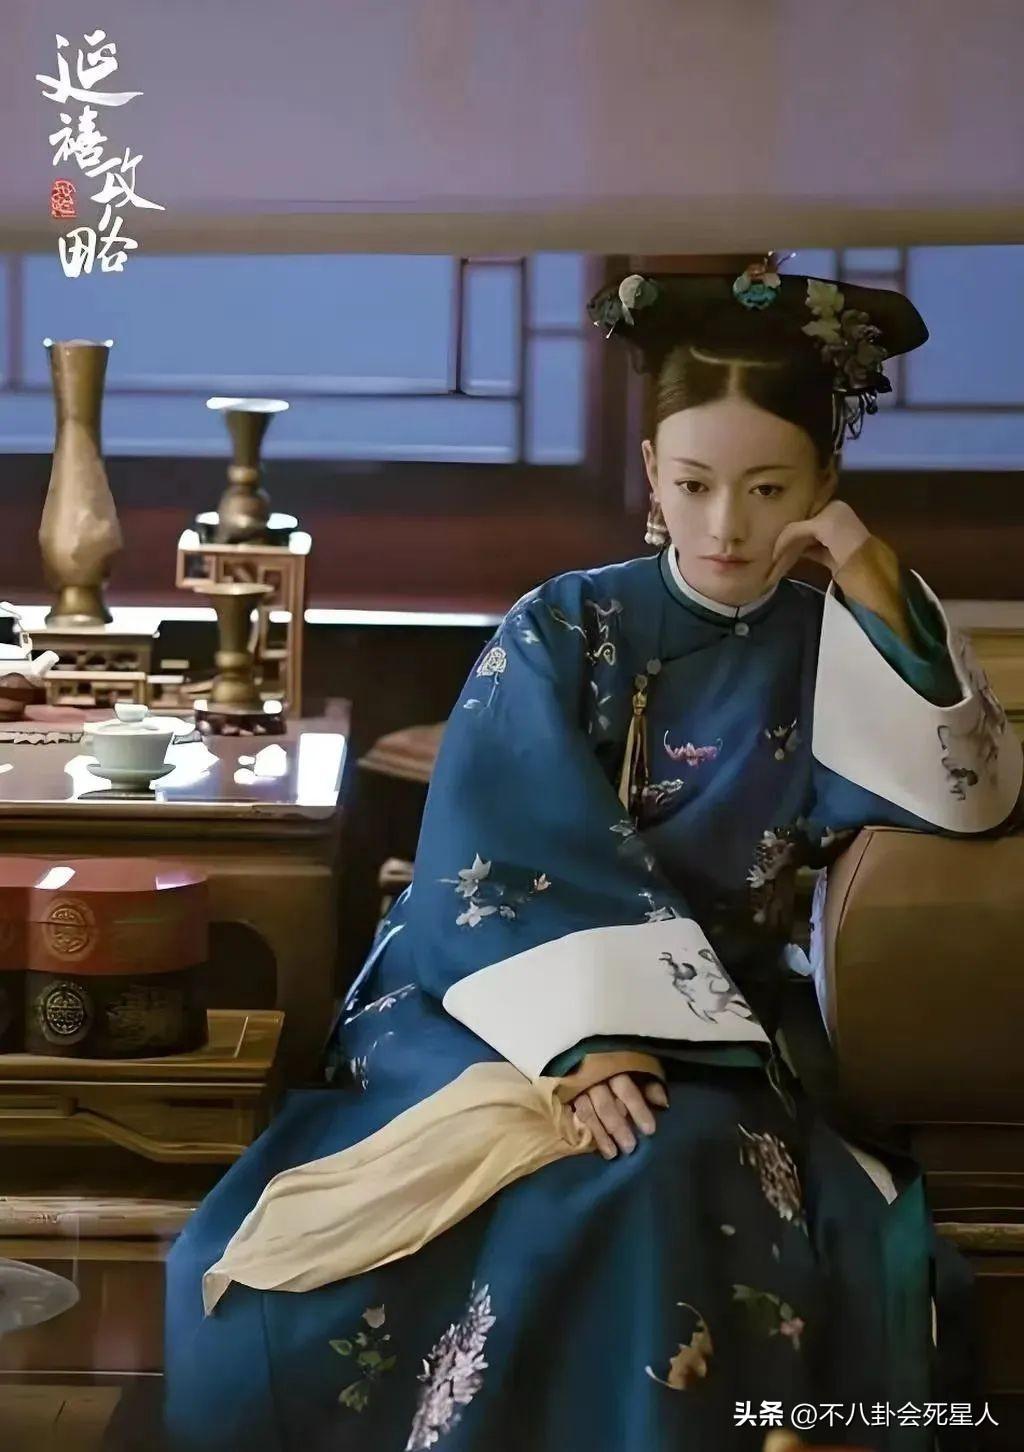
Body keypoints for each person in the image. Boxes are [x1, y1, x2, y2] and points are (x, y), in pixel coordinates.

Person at [162, 259, 1022, 1452]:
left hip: (722, 1016)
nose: (727, 525)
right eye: (695, 483)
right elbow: (497, 843)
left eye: (771, 488)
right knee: (559, 1162)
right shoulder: (567, 623)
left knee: (665, 1160)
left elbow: (964, 799)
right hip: (485, 987)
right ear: (652, 473)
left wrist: (873, 580)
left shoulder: (832, 642)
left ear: (824, 484)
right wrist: (588, 1031)